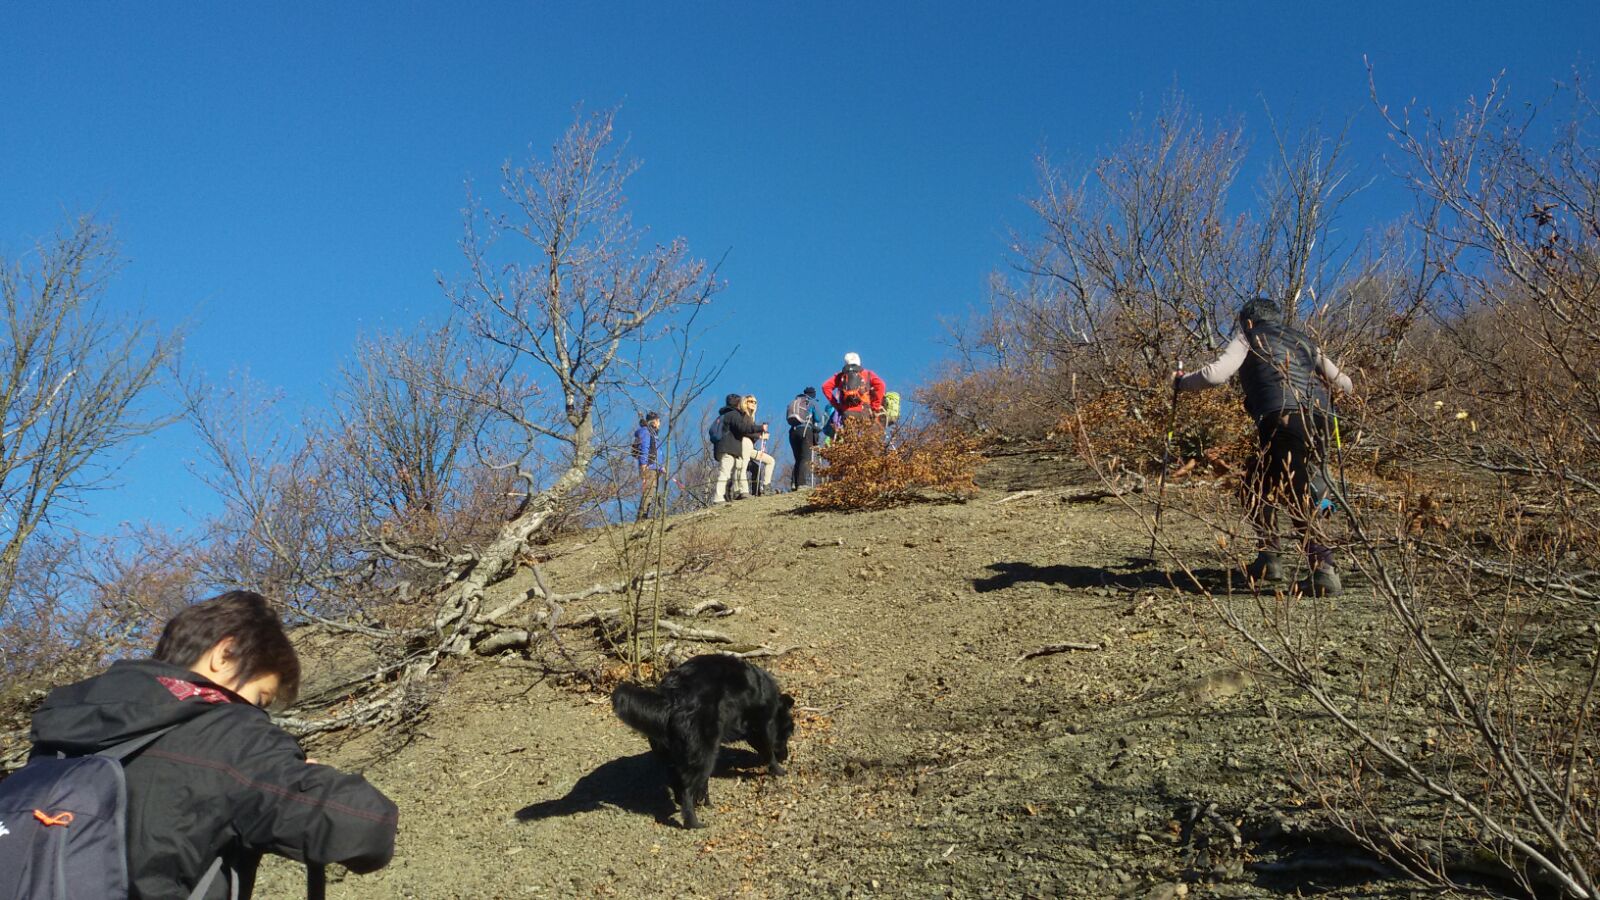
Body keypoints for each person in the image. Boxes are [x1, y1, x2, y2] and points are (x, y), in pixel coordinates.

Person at [26, 590, 399, 899]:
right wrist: (311, 780)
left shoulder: (61, 733)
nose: (257, 713)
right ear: (226, 654)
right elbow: (364, 827)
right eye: (260, 699)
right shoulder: (225, 731)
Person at [1175, 297, 1355, 596]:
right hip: (1323, 421)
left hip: (1283, 420)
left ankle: (1323, 570)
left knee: (1296, 491)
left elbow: (1215, 375)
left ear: (1247, 321)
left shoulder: (1249, 336)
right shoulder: (1303, 340)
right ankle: (1269, 558)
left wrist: (1180, 383)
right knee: (1254, 482)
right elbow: (1345, 384)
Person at [711, 392, 763, 504]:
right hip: (728, 449)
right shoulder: (734, 414)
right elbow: (743, 428)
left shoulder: (723, 415)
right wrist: (760, 428)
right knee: (725, 473)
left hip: (721, 448)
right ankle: (718, 497)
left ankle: (732, 494)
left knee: (735, 469)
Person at [821, 352, 886, 429]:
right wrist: (875, 406)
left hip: (847, 412)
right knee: (865, 438)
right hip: (864, 411)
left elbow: (825, 387)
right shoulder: (868, 374)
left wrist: (837, 405)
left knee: (850, 439)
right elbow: (881, 385)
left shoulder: (840, 375)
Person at [785, 386, 825, 489]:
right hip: (805, 430)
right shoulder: (811, 402)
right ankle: (802, 484)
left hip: (793, 432)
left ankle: (794, 483)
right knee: (805, 458)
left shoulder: (795, 401)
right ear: (813, 394)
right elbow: (819, 418)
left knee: (798, 458)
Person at [740, 395, 776, 496]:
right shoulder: (743, 416)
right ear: (745, 403)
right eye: (751, 401)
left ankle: (765, 487)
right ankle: (744, 492)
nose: (753, 404)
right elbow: (744, 432)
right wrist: (760, 436)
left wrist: (761, 436)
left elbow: (751, 436)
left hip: (750, 448)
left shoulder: (751, 418)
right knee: (743, 468)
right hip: (742, 446)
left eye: (755, 402)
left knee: (770, 461)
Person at [633, 411, 664, 519]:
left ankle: (649, 515)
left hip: (655, 467)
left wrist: (661, 467)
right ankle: (641, 516)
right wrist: (643, 464)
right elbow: (644, 449)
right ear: (654, 421)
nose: (659, 423)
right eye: (659, 421)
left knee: (653, 492)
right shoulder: (646, 432)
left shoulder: (653, 434)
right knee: (648, 492)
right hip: (649, 467)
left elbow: (657, 451)